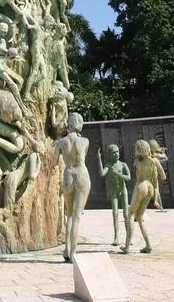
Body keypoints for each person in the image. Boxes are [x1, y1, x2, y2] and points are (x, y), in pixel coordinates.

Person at [53, 112, 91, 263]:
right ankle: (74, 253)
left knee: (68, 215)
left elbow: (54, 162)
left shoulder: (61, 142)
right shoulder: (85, 141)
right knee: (76, 217)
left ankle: (67, 249)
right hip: (81, 174)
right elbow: (83, 156)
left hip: (68, 174)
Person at [122, 139, 166, 254]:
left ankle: (127, 247)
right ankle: (148, 245)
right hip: (150, 188)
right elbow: (163, 177)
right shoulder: (154, 161)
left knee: (131, 214)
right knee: (140, 217)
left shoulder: (137, 161)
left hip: (141, 185)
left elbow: (138, 176)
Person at [97, 144, 132, 247]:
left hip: (123, 189)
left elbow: (128, 178)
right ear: (109, 155)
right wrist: (99, 159)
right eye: (113, 153)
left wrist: (118, 174)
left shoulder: (123, 164)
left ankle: (128, 237)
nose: (116, 154)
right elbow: (102, 173)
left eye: (117, 152)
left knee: (126, 213)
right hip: (114, 190)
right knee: (115, 213)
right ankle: (116, 237)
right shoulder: (108, 165)